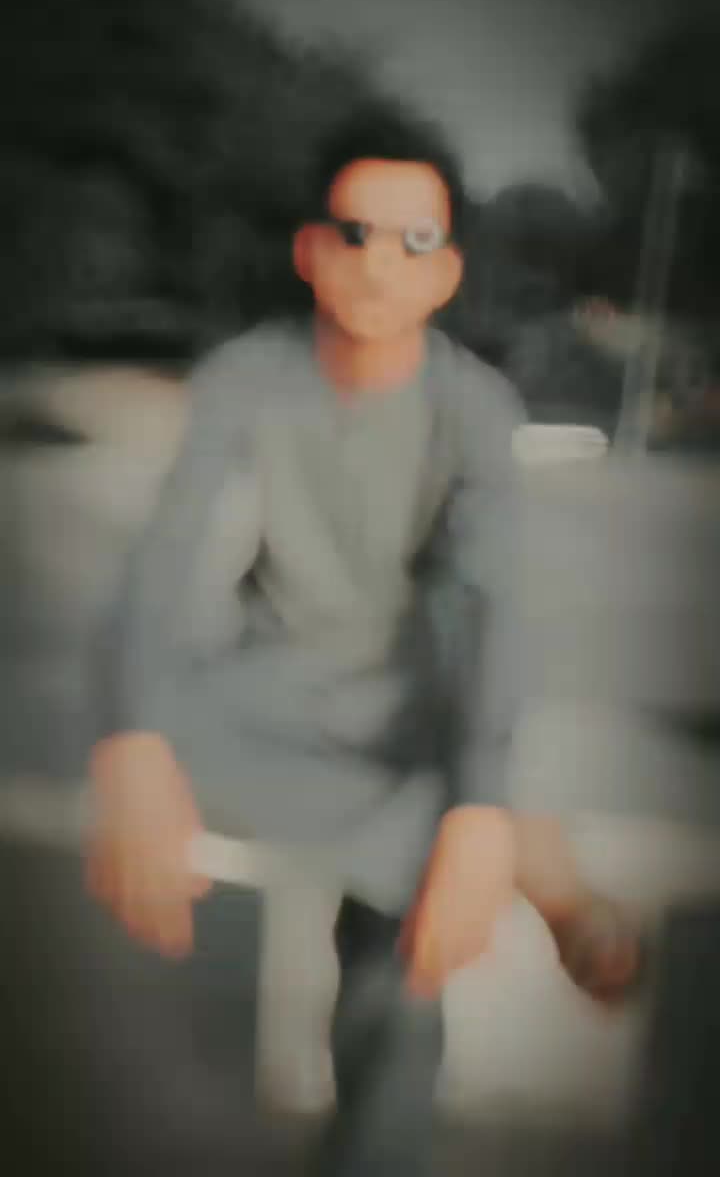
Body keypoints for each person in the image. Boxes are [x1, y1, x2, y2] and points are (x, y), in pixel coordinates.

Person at [87, 105, 642, 1175]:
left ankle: (377, 1150)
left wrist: (477, 806)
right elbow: (165, 559)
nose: (380, 262)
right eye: (354, 232)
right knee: (160, 733)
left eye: (414, 239)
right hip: (269, 691)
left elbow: (492, 604)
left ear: (448, 271)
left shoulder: (472, 408)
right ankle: (559, 885)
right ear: (310, 249)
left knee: (438, 847)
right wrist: (133, 738)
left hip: (405, 702)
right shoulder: (248, 379)